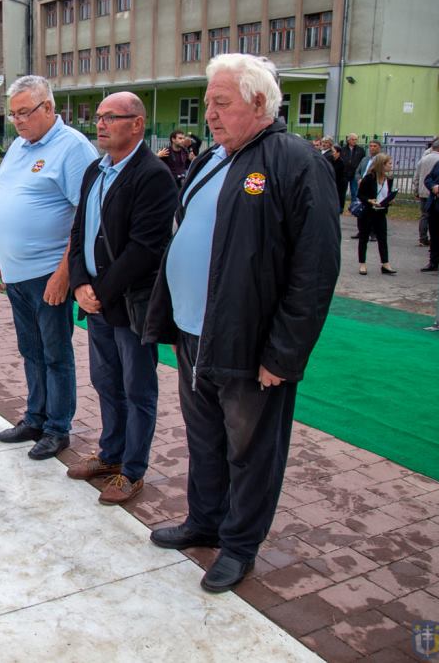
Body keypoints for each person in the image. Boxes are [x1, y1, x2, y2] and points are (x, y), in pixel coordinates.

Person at [143, 54, 339, 593]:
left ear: (258, 102)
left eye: (221, 103)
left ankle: (239, 546)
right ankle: (204, 521)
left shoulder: (294, 161)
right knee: (204, 438)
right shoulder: (211, 159)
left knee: (251, 450)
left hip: (251, 344)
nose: (209, 114)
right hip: (194, 334)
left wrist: (284, 353)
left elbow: (315, 268)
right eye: (208, 103)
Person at [66, 92, 178, 504]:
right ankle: (110, 454)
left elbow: (145, 247)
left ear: (137, 124)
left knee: (137, 388)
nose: (100, 124)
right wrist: (79, 283)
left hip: (130, 303)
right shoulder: (95, 170)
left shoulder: (153, 175)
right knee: (106, 381)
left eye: (111, 117)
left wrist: (99, 292)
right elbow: (79, 230)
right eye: (99, 116)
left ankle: (132, 470)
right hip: (96, 301)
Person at [0, 75, 99, 460]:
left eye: (24, 112)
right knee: (31, 350)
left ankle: (57, 428)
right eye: (13, 114)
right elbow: (4, 197)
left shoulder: (73, 148)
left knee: (55, 353)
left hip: (47, 274)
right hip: (16, 273)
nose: (17, 121)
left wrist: (64, 274)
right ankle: (35, 417)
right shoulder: (19, 146)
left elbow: (86, 216)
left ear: (48, 107)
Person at [356, 153, 397, 275]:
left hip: (381, 212)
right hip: (368, 212)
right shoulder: (369, 178)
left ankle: (385, 264)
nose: (391, 166)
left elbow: (386, 194)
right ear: (381, 165)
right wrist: (369, 200)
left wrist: (390, 200)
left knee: (382, 238)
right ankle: (362, 264)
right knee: (364, 238)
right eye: (389, 163)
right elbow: (360, 195)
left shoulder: (389, 179)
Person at [414, 138, 439, 247]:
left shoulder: (424, 159)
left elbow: (417, 175)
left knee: (424, 215)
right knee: (435, 217)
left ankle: (422, 238)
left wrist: (416, 189)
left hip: (423, 190)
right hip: (435, 193)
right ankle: (434, 239)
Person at [422, 152, 439, 273]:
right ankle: (433, 262)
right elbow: (428, 178)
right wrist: (433, 187)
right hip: (434, 205)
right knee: (434, 234)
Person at [342, 133, 366, 204]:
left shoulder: (360, 150)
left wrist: (360, 173)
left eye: (356, 139)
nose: (354, 141)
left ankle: (354, 207)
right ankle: (340, 207)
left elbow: (363, 161)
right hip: (344, 174)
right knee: (342, 192)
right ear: (348, 140)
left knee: (355, 192)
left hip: (355, 174)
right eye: (353, 139)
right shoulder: (342, 149)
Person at [331, 145, 349, 211]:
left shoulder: (341, 162)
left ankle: (340, 209)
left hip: (340, 183)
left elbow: (337, 173)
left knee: (340, 196)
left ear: (338, 153)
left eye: (333, 151)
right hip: (334, 182)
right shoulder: (332, 160)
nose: (332, 153)